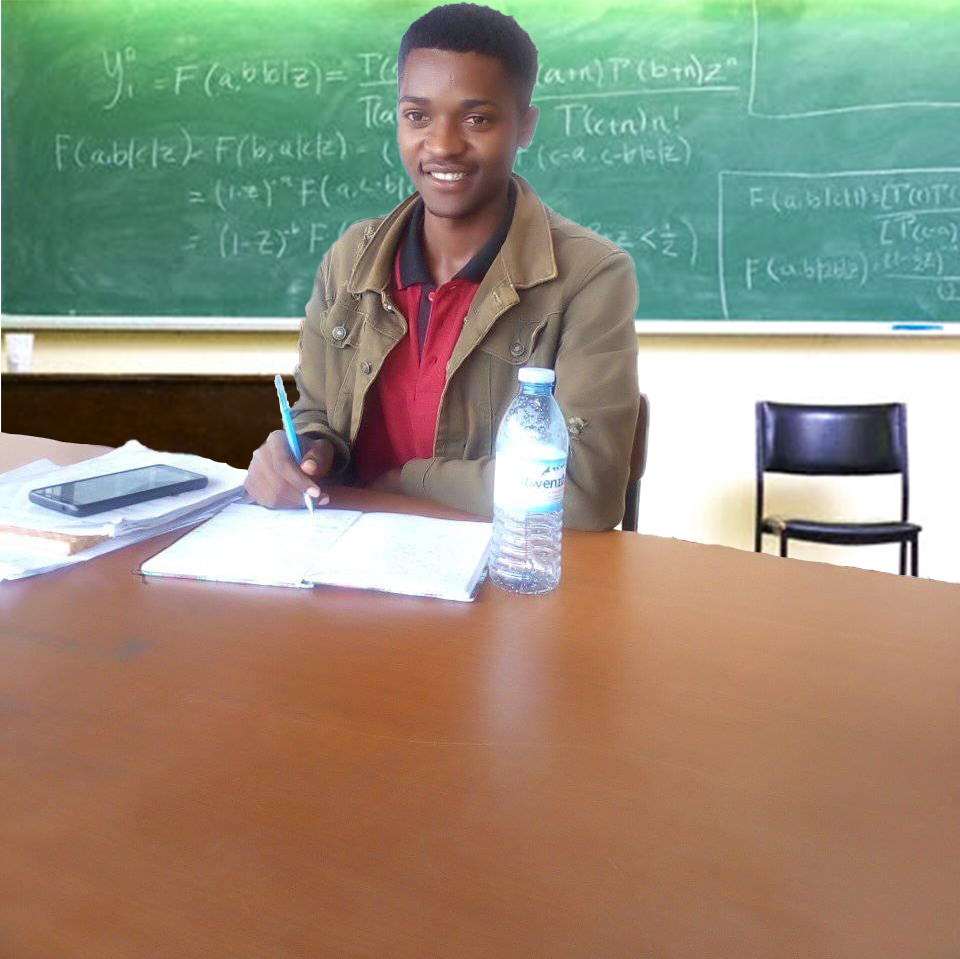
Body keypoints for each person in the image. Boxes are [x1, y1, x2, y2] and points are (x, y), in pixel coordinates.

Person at [245, 3, 640, 531]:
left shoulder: (590, 276)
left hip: (499, 562)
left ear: (525, 126)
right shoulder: (352, 257)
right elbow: (319, 412)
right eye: (417, 116)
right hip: (345, 550)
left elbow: (585, 494)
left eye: (477, 119)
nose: (442, 145)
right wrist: (306, 452)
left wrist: (408, 482)